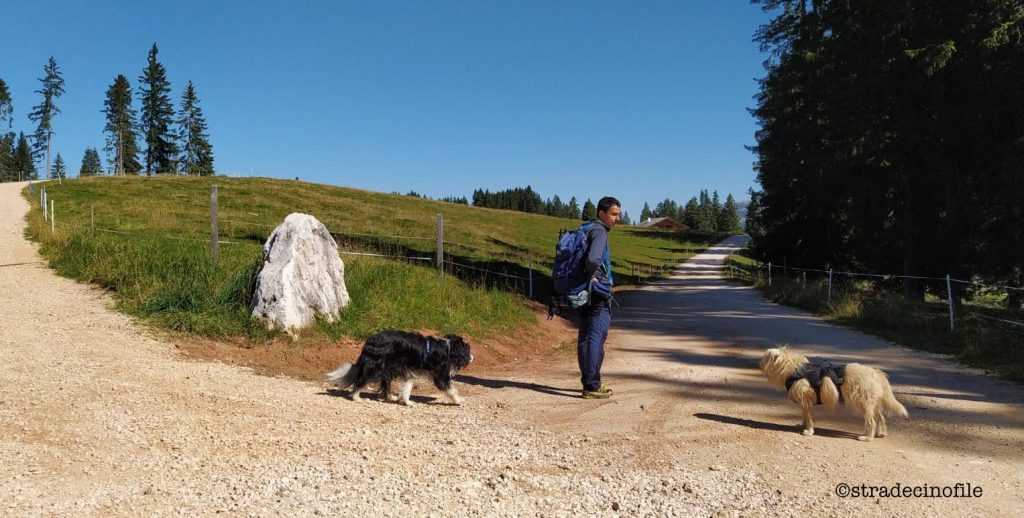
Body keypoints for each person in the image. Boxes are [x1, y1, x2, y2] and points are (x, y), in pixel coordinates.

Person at [578, 196, 621, 399]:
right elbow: (594, 259)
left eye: (618, 214)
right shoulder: (600, 232)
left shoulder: (585, 228)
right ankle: (593, 385)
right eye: (613, 214)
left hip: (581, 291)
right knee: (596, 336)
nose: (617, 218)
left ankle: (588, 382)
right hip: (597, 292)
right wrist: (593, 278)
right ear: (601, 213)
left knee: (585, 335)